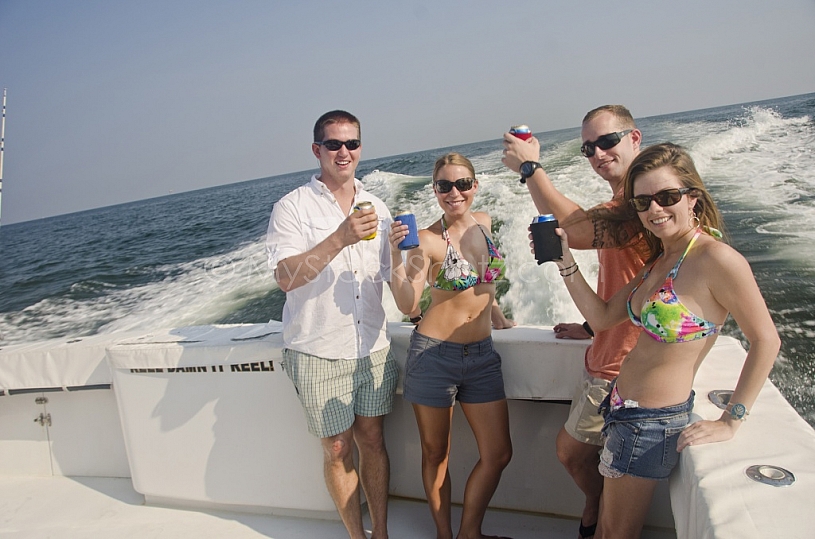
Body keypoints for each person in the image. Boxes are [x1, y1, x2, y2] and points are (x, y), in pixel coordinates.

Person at [551, 142, 780, 538]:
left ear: (692, 198)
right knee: (607, 526)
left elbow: (766, 340)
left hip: (650, 423)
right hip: (620, 408)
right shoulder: (660, 260)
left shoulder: (716, 260)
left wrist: (731, 420)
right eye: (642, 202)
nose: (655, 210)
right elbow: (603, 317)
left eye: (667, 197)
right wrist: (565, 261)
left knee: (614, 534)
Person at [502, 105, 648, 539]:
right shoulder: (620, 202)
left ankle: (596, 509)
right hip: (605, 350)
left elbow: (579, 231)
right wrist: (590, 327)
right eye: (589, 148)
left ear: (635, 138)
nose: (598, 153)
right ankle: (597, 507)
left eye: (608, 141)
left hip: (627, 366)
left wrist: (531, 168)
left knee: (573, 455)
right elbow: (625, 275)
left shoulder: (645, 203)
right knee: (578, 455)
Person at [266, 110, 398, 539]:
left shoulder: (377, 205)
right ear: (316, 150)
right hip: (318, 347)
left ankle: (380, 532)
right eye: (334, 144)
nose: (344, 152)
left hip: (372, 344)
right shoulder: (292, 207)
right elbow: (286, 277)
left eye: (352, 144)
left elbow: (390, 276)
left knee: (373, 441)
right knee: (338, 448)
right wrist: (340, 237)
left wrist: (412, 257)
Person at [388, 152, 515, 539]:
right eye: (444, 186)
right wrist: (396, 253)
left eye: (462, 184)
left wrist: (499, 319)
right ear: (435, 191)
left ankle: (469, 533)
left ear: (475, 186)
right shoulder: (425, 240)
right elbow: (409, 305)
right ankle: (446, 535)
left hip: (482, 357)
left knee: (498, 454)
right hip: (433, 355)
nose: (454, 192)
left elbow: (485, 285)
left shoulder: (485, 223)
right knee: (435, 454)